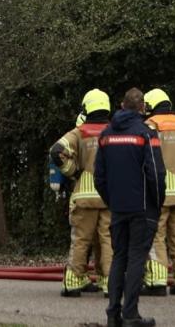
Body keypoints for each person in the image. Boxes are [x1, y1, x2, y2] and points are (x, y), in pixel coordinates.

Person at [96, 88, 165, 327]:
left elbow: (99, 177)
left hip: (118, 207)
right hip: (143, 207)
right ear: (143, 108)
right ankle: (130, 314)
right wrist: (157, 203)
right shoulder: (146, 134)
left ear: (122, 105)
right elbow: (156, 173)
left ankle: (113, 313)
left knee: (119, 258)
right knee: (137, 258)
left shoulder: (105, 134)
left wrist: (112, 201)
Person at [50, 89, 114, 297]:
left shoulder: (79, 132)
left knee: (81, 239)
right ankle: (109, 283)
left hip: (84, 195)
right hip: (109, 196)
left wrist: (73, 172)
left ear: (87, 107)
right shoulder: (115, 131)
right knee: (108, 240)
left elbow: (56, 151)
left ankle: (73, 282)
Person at [141, 88, 175, 296]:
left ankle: (157, 281)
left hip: (159, 191)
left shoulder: (150, 125)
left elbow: (145, 158)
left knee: (156, 235)